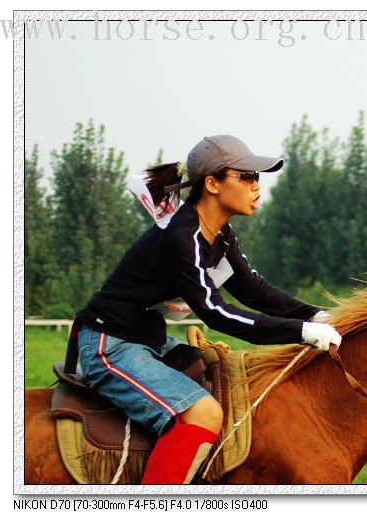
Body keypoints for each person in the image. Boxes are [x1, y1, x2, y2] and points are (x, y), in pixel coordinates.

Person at [73, 135, 341, 484]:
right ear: (212, 184)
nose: (256, 186)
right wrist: (301, 333)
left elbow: (253, 291)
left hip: (149, 341)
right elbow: (216, 313)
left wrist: (317, 316)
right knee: (204, 413)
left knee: (224, 381)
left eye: (257, 178)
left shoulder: (221, 234)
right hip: (111, 344)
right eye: (246, 177)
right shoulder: (181, 238)